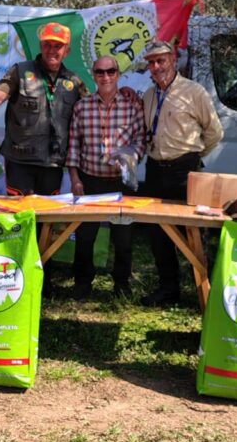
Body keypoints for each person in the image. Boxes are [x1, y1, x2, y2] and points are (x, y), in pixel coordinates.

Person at [0, 21, 87, 295]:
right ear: (41, 46)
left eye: (57, 46)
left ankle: (41, 278)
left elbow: (93, 108)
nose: (52, 50)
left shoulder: (75, 82)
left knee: (46, 224)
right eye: (48, 44)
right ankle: (14, 276)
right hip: (20, 163)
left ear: (66, 50)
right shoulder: (20, 72)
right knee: (17, 220)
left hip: (52, 165)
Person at [140, 39, 224, 306]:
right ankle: (169, 290)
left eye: (161, 60)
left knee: (194, 233)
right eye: (151, 62)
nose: (156, 67)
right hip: (155, 170)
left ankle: (206, 291)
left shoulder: (194, 92)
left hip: (184, 169)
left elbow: (214, 132)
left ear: (173, 59)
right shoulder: (148, 95)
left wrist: (193, 155)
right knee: (158, 234)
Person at [65, 56, 146, 297]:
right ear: (94, 75)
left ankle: (121, 284)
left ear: (118, 74)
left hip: (122, 182)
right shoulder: (82, 106)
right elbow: (73, 146)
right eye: (100, 72)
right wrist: (75, 179)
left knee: (123, 238)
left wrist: (130, 157)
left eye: (111, 71)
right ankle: (82, 282)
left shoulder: (133, 105)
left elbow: (141, 140)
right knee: (85, 235)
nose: (106, 76)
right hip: (90, 179)